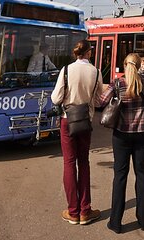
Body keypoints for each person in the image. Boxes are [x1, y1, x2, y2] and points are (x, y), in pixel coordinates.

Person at [98, 53, 144, 233]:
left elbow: (101, 101)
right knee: (142, 174)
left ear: (125, 65)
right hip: (143, 133)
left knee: (120, 176)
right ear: (139, 66)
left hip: (121, 135)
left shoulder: (118, 83)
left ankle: (115, 222)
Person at [50, 40, 103, 226]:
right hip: (85, 121)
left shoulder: (66, 70)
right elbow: (98, 101)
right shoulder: (96, 72)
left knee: (69, 163)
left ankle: (73, 212)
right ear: (89, 53)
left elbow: (56, 98)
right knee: (84, 162)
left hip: (67, 120)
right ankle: (85, 211)